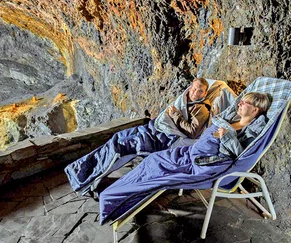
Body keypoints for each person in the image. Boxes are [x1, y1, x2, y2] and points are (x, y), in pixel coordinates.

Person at [98, 92, 271, 225]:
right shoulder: (231, 119)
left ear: (255, 110)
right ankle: (112, 195)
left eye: (245, 102)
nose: (239, 103)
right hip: (191, 153)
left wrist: (227, 136)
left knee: (159, 174)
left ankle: (112, 201)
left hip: (206, 164)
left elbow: (238, 154)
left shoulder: (251, 131)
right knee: (153, 160)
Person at [65, 78, 213, 194]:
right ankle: (80, 170)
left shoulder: (201, 109)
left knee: (122, 146)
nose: (195, 93)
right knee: (119, 137)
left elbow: (192, 131)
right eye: (193, 89)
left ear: (205, 94)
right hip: (154, 129)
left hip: (163, 138)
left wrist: (175, 115)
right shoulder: (185, 99)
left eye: (200, 91)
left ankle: (87, 179)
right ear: (190, 87)